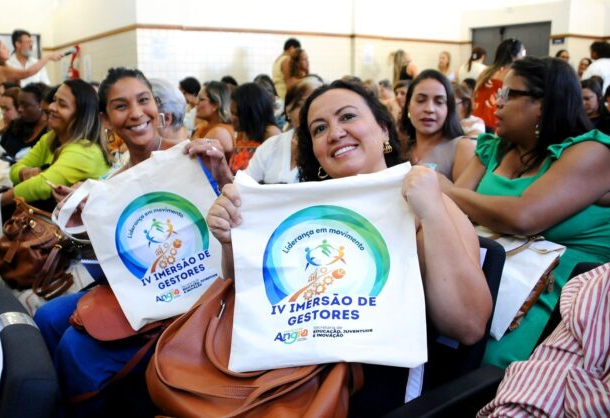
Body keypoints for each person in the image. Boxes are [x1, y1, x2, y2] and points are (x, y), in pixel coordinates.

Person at [207, 79, 491, 413]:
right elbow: (251, 303)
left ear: (384, 130)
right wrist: (231, 240)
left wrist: (431, 212)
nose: (335, 133)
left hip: (376, 390)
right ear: (314, 151)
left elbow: (468, 325)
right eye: (320, 128)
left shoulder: (425, 200)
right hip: (287, 380)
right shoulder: (300, 214)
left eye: (347, 117)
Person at [34, 67, 227, 418]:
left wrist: (223, 175)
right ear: (106, 120)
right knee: (46, 318)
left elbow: (239, 214)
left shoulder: (193, 157)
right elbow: (111, 255)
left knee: (76, 348)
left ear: (158, 107)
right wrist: (82, 222)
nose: (136, 113)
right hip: (141, 284)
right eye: (121, 106)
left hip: (196, 288)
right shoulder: (113, 181)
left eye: (143, 100)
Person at [440, 56, 610, 368]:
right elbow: (451, 212)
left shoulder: (592, 152)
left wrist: (447, 190)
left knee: (486, 362)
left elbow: (523, 217)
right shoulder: (493, 148)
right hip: (489, 277)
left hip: (560, 296)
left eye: (507, 94)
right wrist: (454, 199)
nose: (496, 103)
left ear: (542, 104)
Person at [477, 263, 610, 417]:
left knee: (497, 356)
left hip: (552, 277)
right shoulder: (602, 290)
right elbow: (547, 382)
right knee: (491, 356)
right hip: (531, 267)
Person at [0, 79, 110, 212]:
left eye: (62, 105)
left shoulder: (85, 150)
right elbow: (14, 170)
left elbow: (42, 186)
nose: (51, 107)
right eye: (54, 100)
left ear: (80, 116)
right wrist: (23, 172)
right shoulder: (50, 138)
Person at [245, 77, 323, 184]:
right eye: (301, 104)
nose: (308, 110)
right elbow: (246, 183)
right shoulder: (271, 146)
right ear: (288, 110)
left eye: (316, 103)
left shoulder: (330, 146)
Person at [400, 70, 474, 181]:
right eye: (421, 100)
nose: (429, 109)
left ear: (449, 109)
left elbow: (463, 192)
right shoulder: (401, 147)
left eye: (439, 102)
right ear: (408, 106)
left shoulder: (462, 147)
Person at [0, 39, 60, 134]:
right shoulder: (0, 69)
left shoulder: (2, 68)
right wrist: (48, 57)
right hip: (1, 113)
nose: (8, 50)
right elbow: (27, 73)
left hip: (1, 111)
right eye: (4, 48)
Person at [472, 39, 525, 132]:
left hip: (476, 118)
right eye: (522, 53)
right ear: (513, 56)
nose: (524, 57)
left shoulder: (486, 71)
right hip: (492, 120)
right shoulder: (511, 73)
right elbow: (502, 101)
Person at [228, 83, 281, 173]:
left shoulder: (270, 133)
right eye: (231, 113)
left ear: (252, 113)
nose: (231, 118)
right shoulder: (243, 132)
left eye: (236, 114)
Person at [192, 81, 235, 155]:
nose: (196, 103)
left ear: (215, 105)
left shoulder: (219, 132)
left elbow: (193, 157)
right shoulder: (208, 126)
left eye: (201, 99)